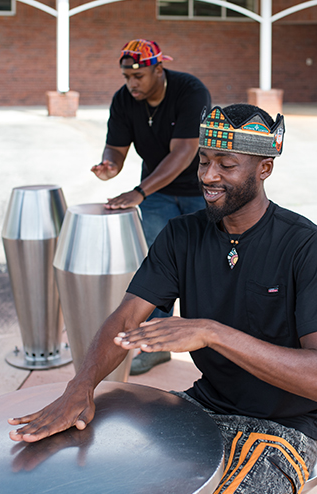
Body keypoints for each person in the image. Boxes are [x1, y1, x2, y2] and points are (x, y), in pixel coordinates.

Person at [9, 104, 317, 494]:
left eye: (226, 165)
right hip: (203, 406)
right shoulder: (182, 235)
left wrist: (212, 332)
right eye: (204, 161)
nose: (208, 176)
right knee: (101, 473)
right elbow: (126, 319)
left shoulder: (309, 246)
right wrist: (81, 386)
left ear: (264, 168)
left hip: (283, 427)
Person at [92, 39, 211, 375]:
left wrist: (139, 191)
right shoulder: (124, 100)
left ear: (159, 70)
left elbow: (184, 152)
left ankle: (216, 339)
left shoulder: (190, 91)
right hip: (158, 192)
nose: (131, 83)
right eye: (126, 76)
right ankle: (157, 344)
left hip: (201, 189)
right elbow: (115, 148)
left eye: (138, 76)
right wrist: (109, 166)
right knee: (161, 266)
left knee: (206, 262)